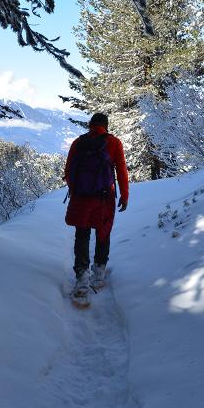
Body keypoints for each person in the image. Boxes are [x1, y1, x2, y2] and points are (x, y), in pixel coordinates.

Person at [63, 112, 129, 303]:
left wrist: (77, 190)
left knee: (82, 235)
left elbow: (68, 171)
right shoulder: (114, 143)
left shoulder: (78, 142)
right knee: (103, 233)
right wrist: (124, 196)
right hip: (104, 199)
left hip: (81, 198)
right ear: (106, 126)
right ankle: (98, 275)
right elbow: (122, 170)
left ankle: (81, 279)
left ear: (90, 124)